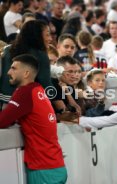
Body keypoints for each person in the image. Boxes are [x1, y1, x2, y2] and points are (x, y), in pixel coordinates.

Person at [0, 54, 67, 184]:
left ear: (25, 73)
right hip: (53, 166)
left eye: (13, 68)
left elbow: (3, 121)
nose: (8, 72)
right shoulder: (37, 89)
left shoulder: (24, 93)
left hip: (44, 170)